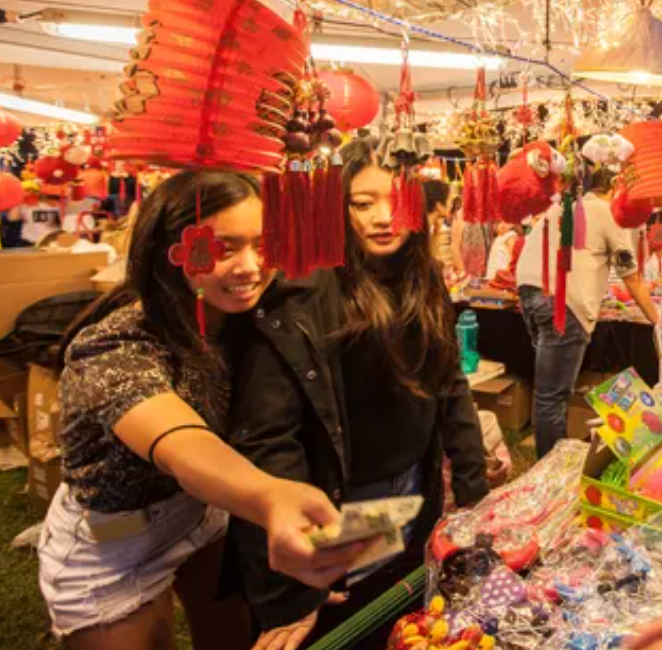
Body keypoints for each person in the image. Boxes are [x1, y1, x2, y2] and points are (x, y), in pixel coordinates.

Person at [38, 172, 358, 650]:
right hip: (114, 547)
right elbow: (182, 442)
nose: (249, 266)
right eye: (223, 248)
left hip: (205, 516)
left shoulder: (249, 319)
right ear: (167, 251)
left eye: (262, 244)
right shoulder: (115, 345)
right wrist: (270, 496)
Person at [228, 139, 489, 650]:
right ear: (337, 208)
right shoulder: (304, 291)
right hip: (341, 503)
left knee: (399, 616)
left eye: (396, 201)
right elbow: (269, 435)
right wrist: (287, 585)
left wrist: (473, 490)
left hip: (414, 490)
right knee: (341, 621)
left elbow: (449, 384)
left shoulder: (423, 279)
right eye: (363, 203)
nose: (383, 218)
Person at [515, 167, 659, 457]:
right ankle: (553, 470)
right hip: (562, 304)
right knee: (553, 397)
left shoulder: (565, 206)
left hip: (530, 293)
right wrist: (659, 321)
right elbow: (631, 276)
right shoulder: (609, 214)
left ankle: (551, 460)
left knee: (547, 392)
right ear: (616, 188)